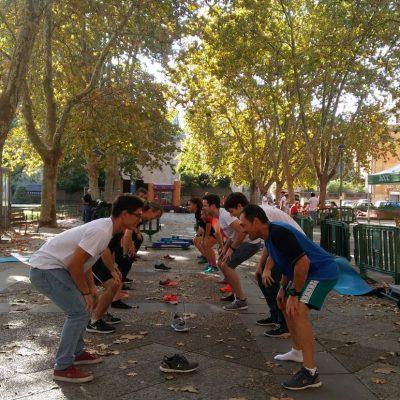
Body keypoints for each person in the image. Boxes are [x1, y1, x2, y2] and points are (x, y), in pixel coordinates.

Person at [29, 194, 144, 383]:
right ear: (124, 214)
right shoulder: (102, 231)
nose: (141, 219)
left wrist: (91, 289)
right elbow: (75, 265)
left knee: (84, 306)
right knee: (78, 312)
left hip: (55, 268)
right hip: (46, 270)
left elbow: (86, 263)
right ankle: (63, 367)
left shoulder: (107, 228)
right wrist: (85, 292)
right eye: (138, 215)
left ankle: (77, 352)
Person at [240, 205, 339, 391]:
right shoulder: (269, 236)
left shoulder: (278, 232)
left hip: (322, 272)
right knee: (285, 303)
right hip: (308, 272)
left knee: (299, 310)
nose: (243, 230)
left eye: (244, 225)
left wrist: (294, 293)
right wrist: (283, 288)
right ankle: (297, 351)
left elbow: (303, 261)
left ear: (256, 222)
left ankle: (310, 373)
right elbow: (287, 261)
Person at [225, 192, 303, 338]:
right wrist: (260, 265)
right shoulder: (254, 215)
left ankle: (284, 325)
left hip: (296, 247)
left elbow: (277, 240)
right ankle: (275, 315)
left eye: (233, 212)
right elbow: (268, 242)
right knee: (261, 276)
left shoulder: (262, 213)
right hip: (282, 246)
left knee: (272, 279)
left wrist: (267, 268)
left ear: (240, 206)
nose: (235, 218)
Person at [203, 193, 260, 311]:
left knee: (227, 266)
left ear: (213, 206)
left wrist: (232, 249)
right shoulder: (219, 216)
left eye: (205, 205)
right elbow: (232, 234)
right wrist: (225, 247)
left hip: (250, 243)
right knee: (221, 262)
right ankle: (235, 294)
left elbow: (242, 231)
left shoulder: (225, 215)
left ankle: (241, 300)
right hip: (242, 242)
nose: (203, 208)